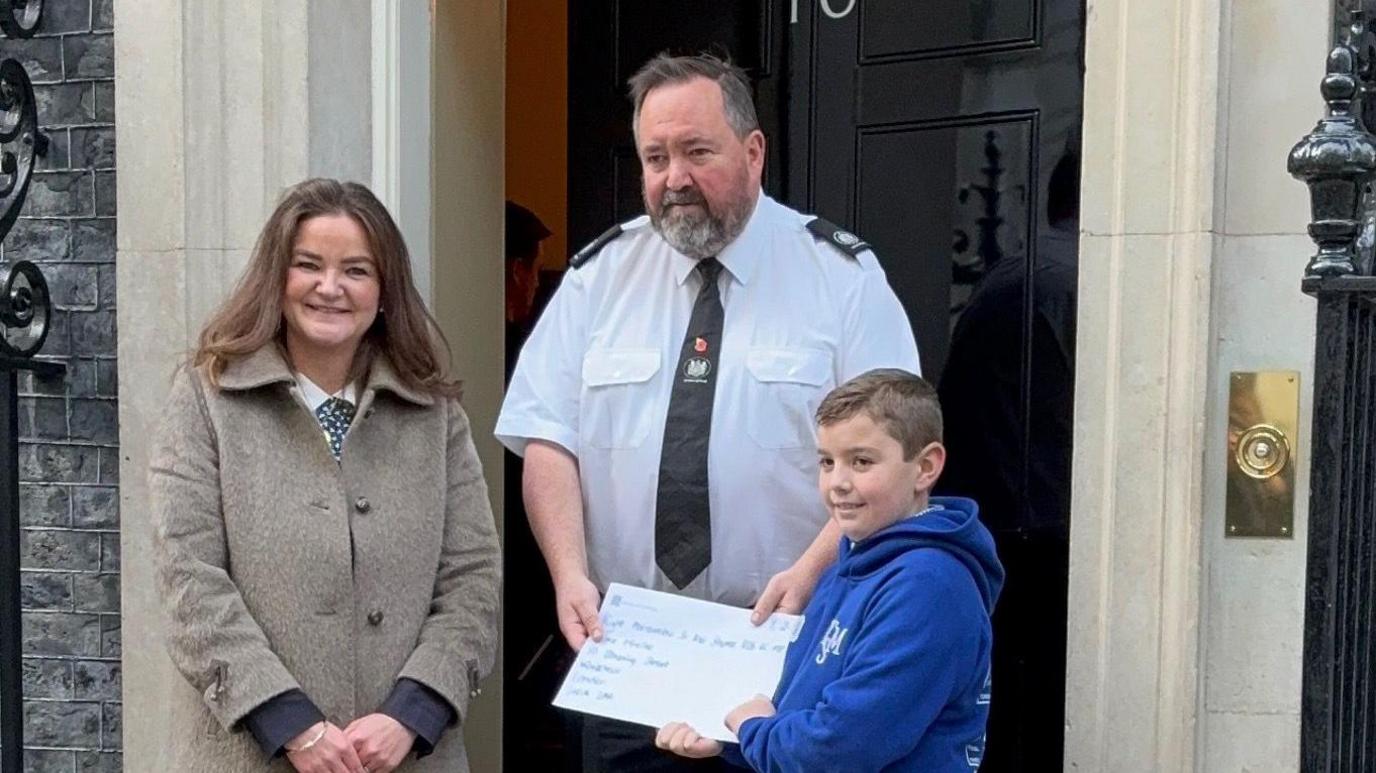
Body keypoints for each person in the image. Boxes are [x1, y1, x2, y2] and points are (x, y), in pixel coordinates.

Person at [495, 53, 920, 771]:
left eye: (697, 151)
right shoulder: (599, 277)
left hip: (786, 650)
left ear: (753, 152)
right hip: (629, 652)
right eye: (655, 157)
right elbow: (549, 438)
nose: (674, 178)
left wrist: (814, 571)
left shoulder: (841, 276)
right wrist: (568, 573)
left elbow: (898, 457)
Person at [148, 178, 501, 773]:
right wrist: (289, 723)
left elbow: (472, 575)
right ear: (275, 278)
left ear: (384, 290)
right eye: (307, 265)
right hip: (246, 756)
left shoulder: (434, 414)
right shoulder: (206, 399)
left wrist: (412, 715)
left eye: (356, 271)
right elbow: (187, 575)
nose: (330, 288)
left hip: (409, 758)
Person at [655, 369, 1004, 771]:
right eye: (826, 461)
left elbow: (838, 750)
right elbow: (797, 707)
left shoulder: (928, 585)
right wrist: (727, 736)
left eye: (861, 461)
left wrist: (751, 729)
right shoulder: (854, 560)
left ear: (925, 467)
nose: (837, 482)